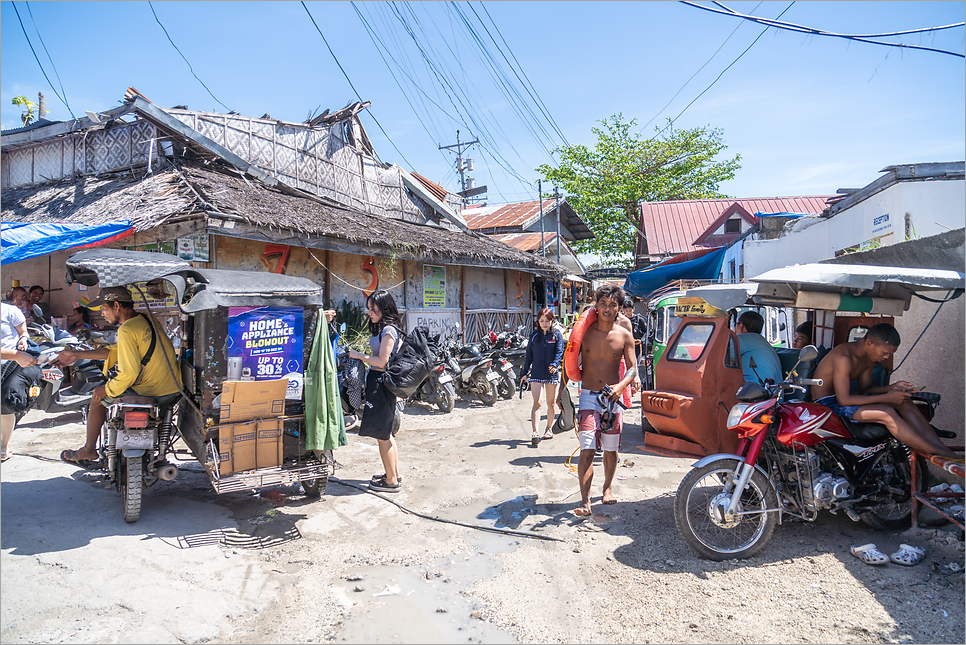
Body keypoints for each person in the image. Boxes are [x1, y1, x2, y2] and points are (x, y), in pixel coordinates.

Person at [53, 286, 183, 468]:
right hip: (172, 388)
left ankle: (89, 450)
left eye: (103, 309)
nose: (102, 314)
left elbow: (129, 373)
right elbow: (117, 351)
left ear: (116, 305)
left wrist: (106, 389)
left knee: (97, 396)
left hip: (151, 390)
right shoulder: (147, 319)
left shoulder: (126, 330)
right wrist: (77, 354)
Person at [810, 322, 958, 459]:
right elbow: (844, 401)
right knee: (886, 412)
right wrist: (887, 397)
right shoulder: (844, 357)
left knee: (904, 401)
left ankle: (942, 449)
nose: (886, 357)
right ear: (870, 343)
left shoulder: (867, 357)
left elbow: (866, 389)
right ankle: (937, 453)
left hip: (847, 399)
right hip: (827, 406)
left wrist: (893, 387)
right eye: (884, 353)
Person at [559, 284, 637, 517]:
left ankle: (607, 488)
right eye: (602, 303)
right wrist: (561, 397)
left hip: (611, 400)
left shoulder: (624, 335)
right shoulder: (584, 334)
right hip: (588, 397)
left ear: (619, 308)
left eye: (612, 305)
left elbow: (632, 369)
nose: (606, 308)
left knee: (611, 450)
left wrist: (621, 386)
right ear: (595, 305)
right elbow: (570, 360)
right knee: (587, 449)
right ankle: (585, 502)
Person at [348, 290, 403, 493]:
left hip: (381, 383)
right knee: (387, 433)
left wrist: (358, 355)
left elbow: (382, 361)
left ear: (384, 308)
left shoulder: (389, 331)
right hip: (380, 383)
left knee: (383, 436)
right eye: (369, 309)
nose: (370, 313)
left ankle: (390, 482)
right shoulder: (386, 328)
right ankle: (394, 474)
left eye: (374, 309)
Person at [520, 307, 565, 445]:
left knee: (550, 403)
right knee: (537, 402)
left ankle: (549, 429)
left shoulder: (557, 335)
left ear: (552, 321)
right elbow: (529, 356)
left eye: (547, 321)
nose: (544, 323)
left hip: (551, 374)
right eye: (542, 321)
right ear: (538, 322)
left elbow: (559, 352)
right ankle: (535, 432)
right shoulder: (533, 336)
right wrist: (524, 373)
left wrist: (555, 364)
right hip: (537, 373)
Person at [1, 302, 38, 461]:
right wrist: (16, 355)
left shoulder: (10, 311)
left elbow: (24, 331)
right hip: (14, 357)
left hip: (9, 366)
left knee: (5, 405)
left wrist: (23, 338)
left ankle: (6, 444)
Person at [735, 310, 783, 385]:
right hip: (772, 392)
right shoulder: (761, 341)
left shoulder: (740, 339)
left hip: (755, 392)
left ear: (741, 326)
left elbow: (719, 356)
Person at [622, 296, 647, 363]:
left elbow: (647, 332)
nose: (628, 313)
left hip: (636, 346)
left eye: (630, 310)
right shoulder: (621, 320)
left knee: (635, 364)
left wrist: (641, 341)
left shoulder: (639, 320)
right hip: (624, 347)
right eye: (626, 311)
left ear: (634, 309)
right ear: (623, 310)